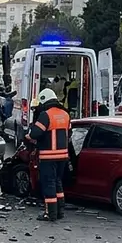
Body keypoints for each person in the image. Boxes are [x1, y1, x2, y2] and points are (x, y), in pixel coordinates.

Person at [25, 88, 70, 221]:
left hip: (48, 156)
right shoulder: (65, 114)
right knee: (58, 183)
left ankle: (50, 213)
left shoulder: (46, 115)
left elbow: (35, 133)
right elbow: (69, 132)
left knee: (48, 184)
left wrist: (28, 135)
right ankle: (60, 211)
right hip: (63, 156)